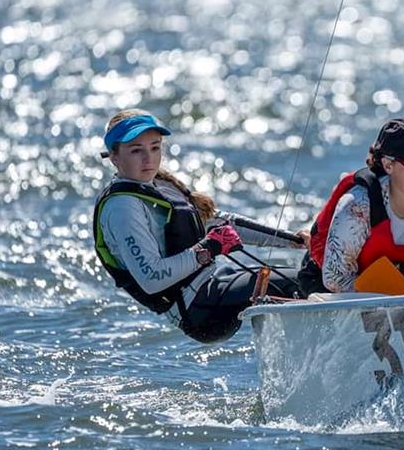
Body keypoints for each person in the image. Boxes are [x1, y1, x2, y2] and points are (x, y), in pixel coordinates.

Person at [93, 109, 306, 344]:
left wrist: (294, 241)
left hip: (216, 282)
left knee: (311, 274)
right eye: (136, 151)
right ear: (114, 156)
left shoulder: (158, 184)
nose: (149, 159)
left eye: (155, 147)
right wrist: (207, 250)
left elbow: (220, 222)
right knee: (305, 283)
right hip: (197, 310)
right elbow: (151, 279)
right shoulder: (122, 207)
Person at [298, 117, 404, 294]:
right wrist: (393, 301)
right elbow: (336, 280)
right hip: (330, 287)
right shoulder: (358, 207)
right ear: (388, 165)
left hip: (396, 289)